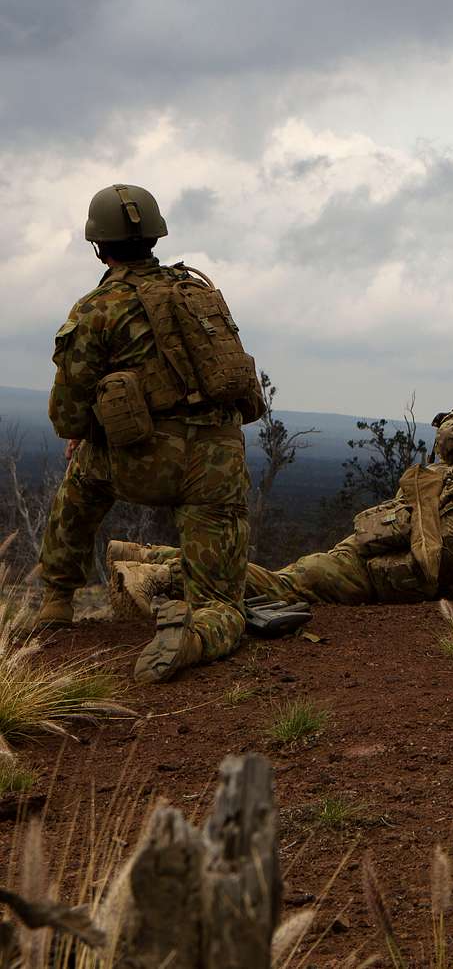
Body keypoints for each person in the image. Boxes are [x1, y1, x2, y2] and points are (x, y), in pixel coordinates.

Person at [33, 183, 263, 682]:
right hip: (218, 463)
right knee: (222, 602)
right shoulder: (198, 292)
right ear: (155, 235)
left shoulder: (97, 308)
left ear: (98, 245)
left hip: (142, 461)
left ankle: (56, 600)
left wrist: (89, 433)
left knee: (81, 482)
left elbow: (66, 418)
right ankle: (197, 635)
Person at [110, 444, 453, 609]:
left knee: (280, 576)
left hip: (375, 550)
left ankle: (144, 553)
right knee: (280, 585)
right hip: (369, 570)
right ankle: (154, 575)